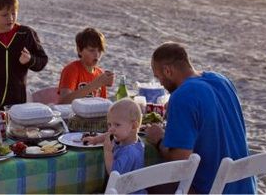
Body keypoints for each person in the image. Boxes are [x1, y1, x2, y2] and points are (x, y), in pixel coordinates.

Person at [144, 42, 255, 194]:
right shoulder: (222, 80)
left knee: (142, 183)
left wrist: (158, 139)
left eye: (159, 77)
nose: (161, 84)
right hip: (243, 187)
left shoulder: (183, 96)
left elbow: (180, 160)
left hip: (212, 189)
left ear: (168, 71)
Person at [83, 99, 145, 194]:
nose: (111, 129)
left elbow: (113, 174)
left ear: (133, 126)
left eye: (117, 125)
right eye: (109, 124)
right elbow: (110, 134)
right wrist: (95, 139)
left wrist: (108, 151)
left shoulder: (129, 152)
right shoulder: (131, 140)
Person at [58, 27, 114, 104]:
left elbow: (102, 104)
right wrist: (96, 84)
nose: (97, 54)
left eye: (100, 50)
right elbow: (63, 102)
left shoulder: (100, 73)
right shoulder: (72, 69)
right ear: (79, 50)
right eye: (91, 50)